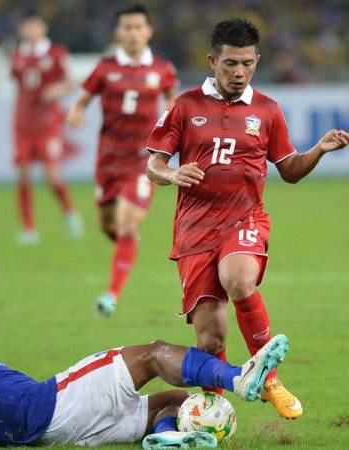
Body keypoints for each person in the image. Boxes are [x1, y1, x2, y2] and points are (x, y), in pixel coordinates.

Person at [146, 18, 349, 420]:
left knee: (239, 280)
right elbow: (155, 163)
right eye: (230, 65)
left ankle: (268, 377)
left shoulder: (268, 111)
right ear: (212, 61)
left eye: (247, 64)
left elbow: (289, 169)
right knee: (209, 341)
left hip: (245, 219)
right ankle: (215, 411)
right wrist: (171, 174)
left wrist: (319, 150)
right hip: (194, 230)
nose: (239, 73)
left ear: (257, 61)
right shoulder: (185, 105)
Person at [0, 282, 289, 450]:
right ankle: (240, 377)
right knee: (153, 353)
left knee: (170, 401)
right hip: (51, 404)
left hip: (49, 433)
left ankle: (167, 438)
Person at [67, 4, 177, 316]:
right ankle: (127, 243)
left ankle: (111, 293)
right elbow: (84, 98)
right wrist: (76, 112)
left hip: (143, 161)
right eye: (127, 28)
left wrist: (173, 121)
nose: (132, 33)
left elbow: (173, 100)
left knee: (127, 226)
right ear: (118, 33)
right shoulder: (104, 67)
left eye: (138, 27)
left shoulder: (162, 68)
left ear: (148, 31)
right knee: (108, 226)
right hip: (108, 162)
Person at [11, 13, 83, 245]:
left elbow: (71, 83)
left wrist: (57, 90)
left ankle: (70, 213)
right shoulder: (17, 55)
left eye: (35, 26)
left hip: (48, 125)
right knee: (23, 177)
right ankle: (28, 229)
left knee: (52, 176)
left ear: (43, 28)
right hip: (23, 124)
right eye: (27, 26)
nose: (31, 30)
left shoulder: (56, 54)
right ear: (23, 29)